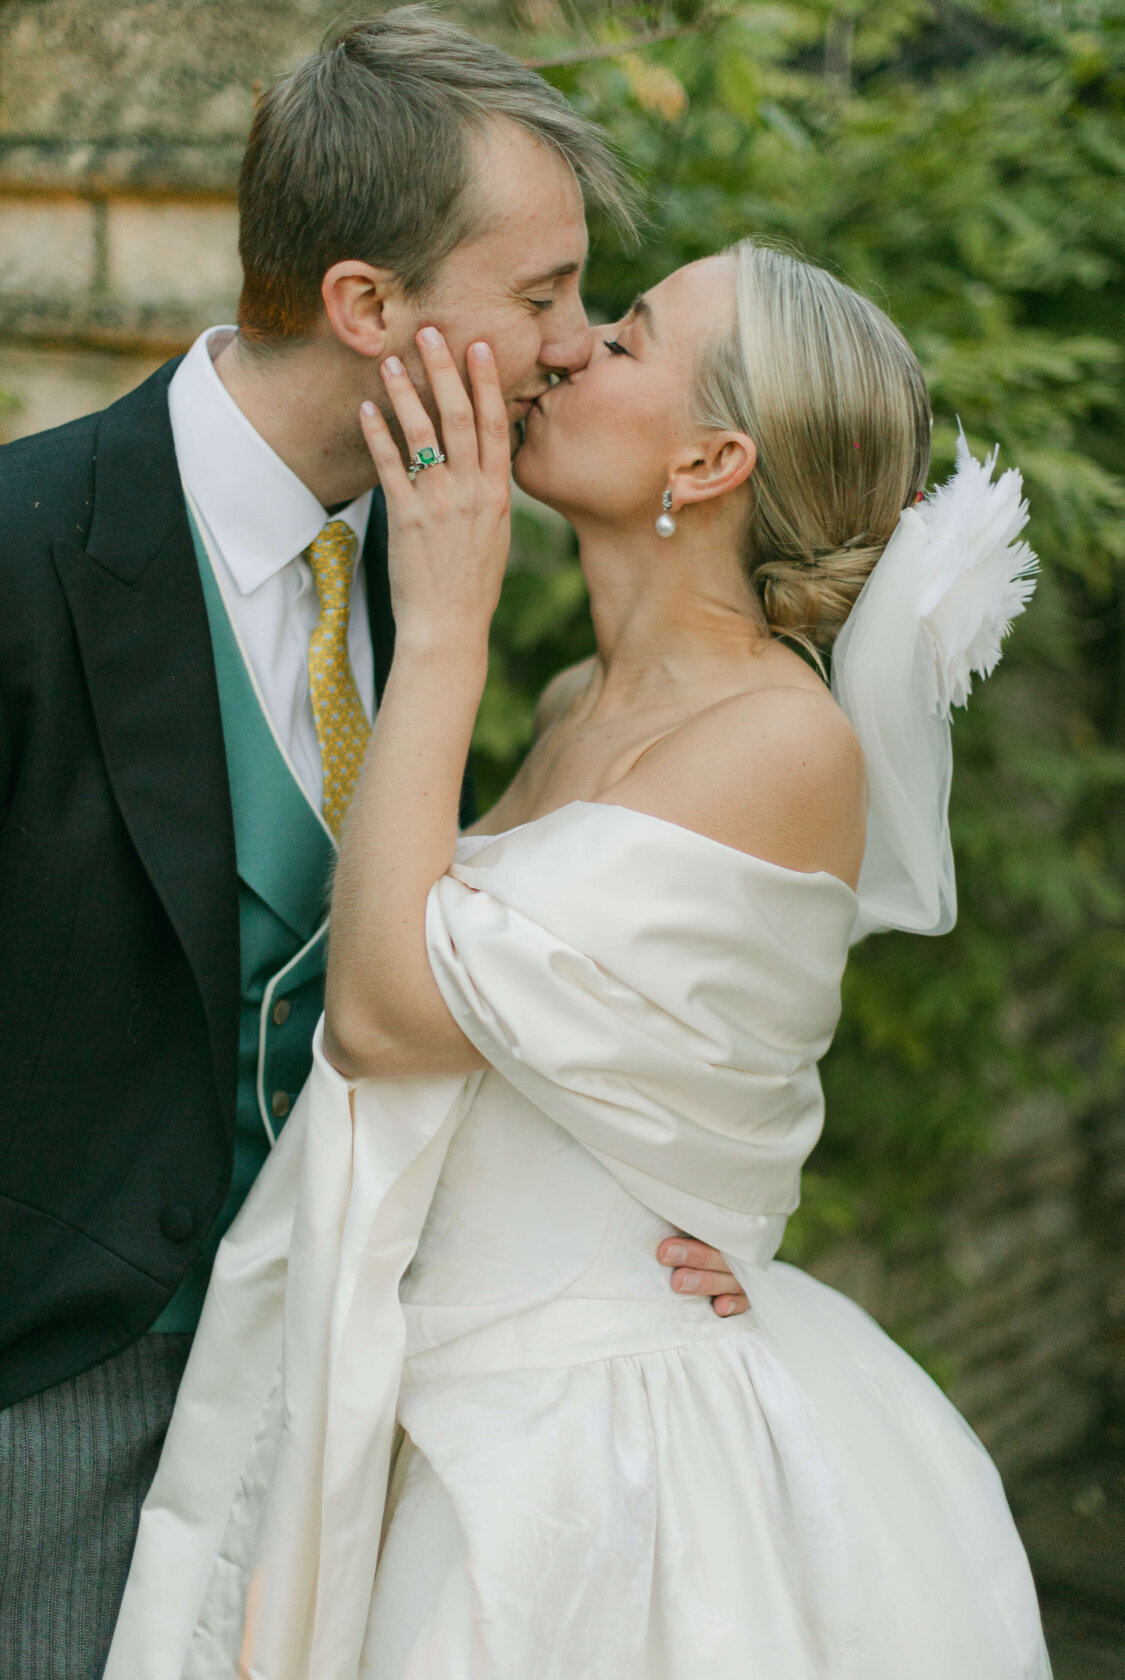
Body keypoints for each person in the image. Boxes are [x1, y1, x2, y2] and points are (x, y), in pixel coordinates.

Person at [105, 244, 1052, 1677]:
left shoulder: (783, 744)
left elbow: (383, 1014)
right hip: (425, 1383)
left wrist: (443, 630)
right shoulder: (573, 704)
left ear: (712, 458)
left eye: (625, 341)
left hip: (592, 1458)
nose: (566, 350)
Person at [0, 12, 745, 1677]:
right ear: (367, 307)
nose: (570, 342)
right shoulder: (21, 550)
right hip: (44, 1408)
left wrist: (661, 1215)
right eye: (541, 292)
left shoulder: (432, 548)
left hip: (332, 1392)